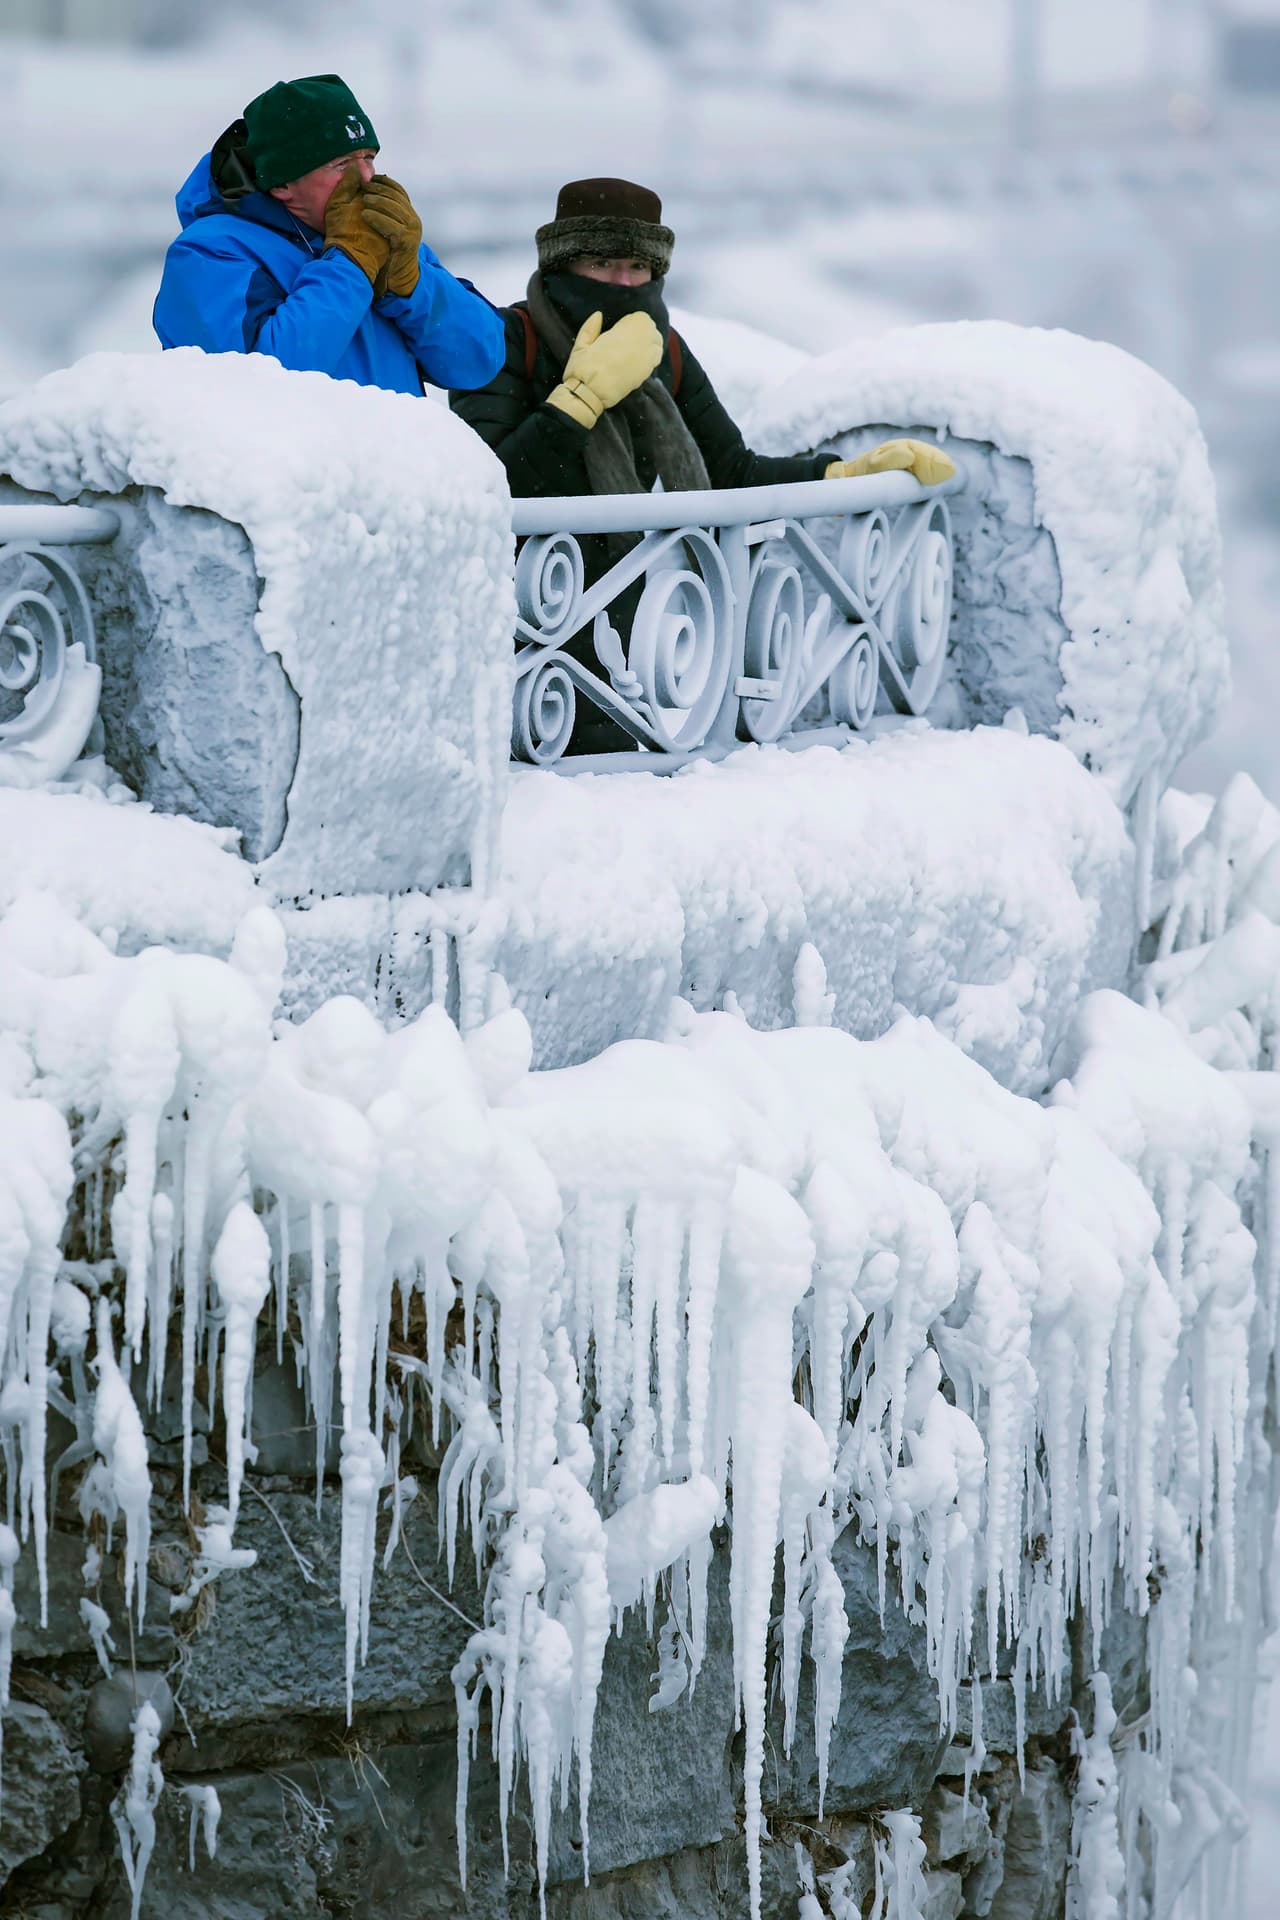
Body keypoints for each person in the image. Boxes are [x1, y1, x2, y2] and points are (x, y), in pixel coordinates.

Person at [448, 176, 953, 498]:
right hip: (528, 626)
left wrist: (842, 477)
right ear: (562, 264)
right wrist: (579, 401)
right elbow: (486, 489)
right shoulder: (505, 340)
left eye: (638, 267)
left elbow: (731, 473)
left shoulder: (663, 351)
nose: (623, 284)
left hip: (641, 627)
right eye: (601, 263)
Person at [154, 73, 503, 396]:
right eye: (342, 164)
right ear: (282, 183)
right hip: (297, 465)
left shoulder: (384, 239)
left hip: (393, 463)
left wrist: (412, 283)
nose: (366, 177)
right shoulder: (210, 252)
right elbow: (258, 386)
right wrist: (350, 263)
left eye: (369, 157)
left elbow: (477, 363)